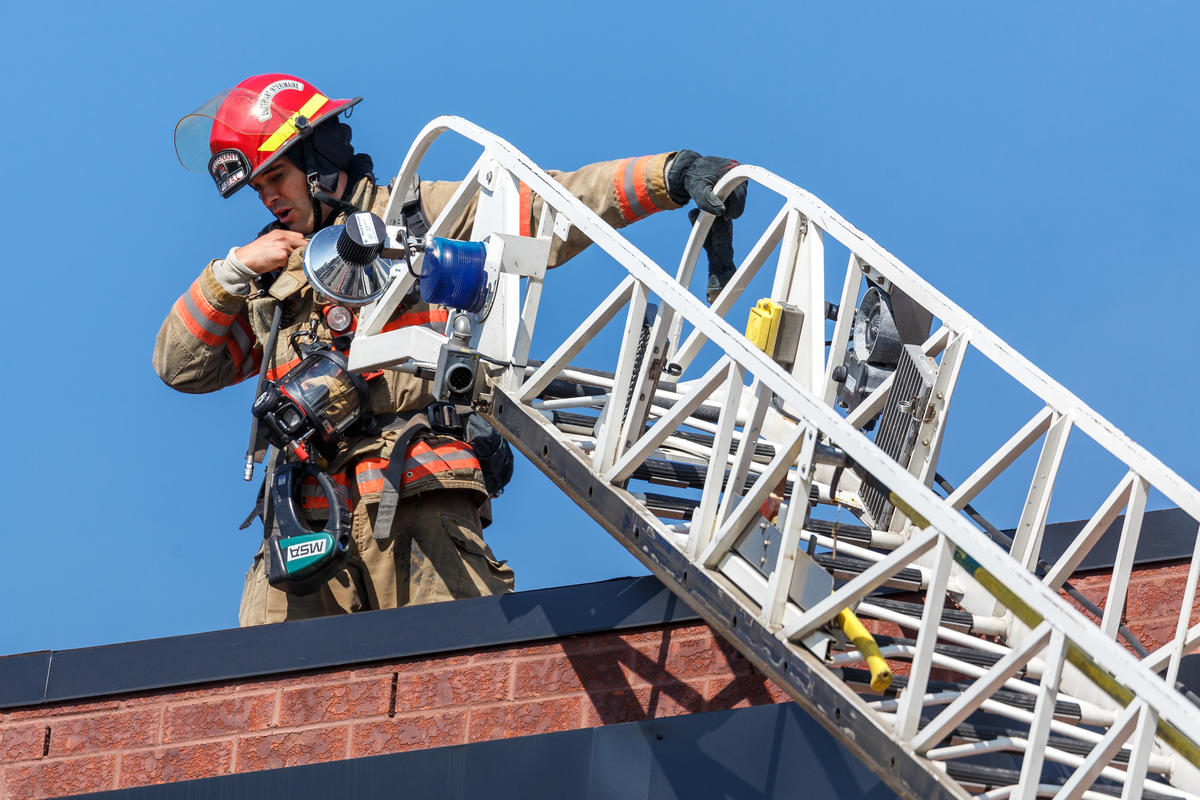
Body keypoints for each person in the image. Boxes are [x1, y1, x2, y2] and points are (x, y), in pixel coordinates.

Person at [155, 73, 746, 626]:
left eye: (274, 179)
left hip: (419, 508)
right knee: (274, 711)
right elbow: (181, 367)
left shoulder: (418, 215)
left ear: (318, 162)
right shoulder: (268, 274)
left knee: (449, 684)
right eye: (256, 189)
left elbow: (548, 207)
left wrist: (669, 175)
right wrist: (229, 273)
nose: (267, 202)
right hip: (300, 526)